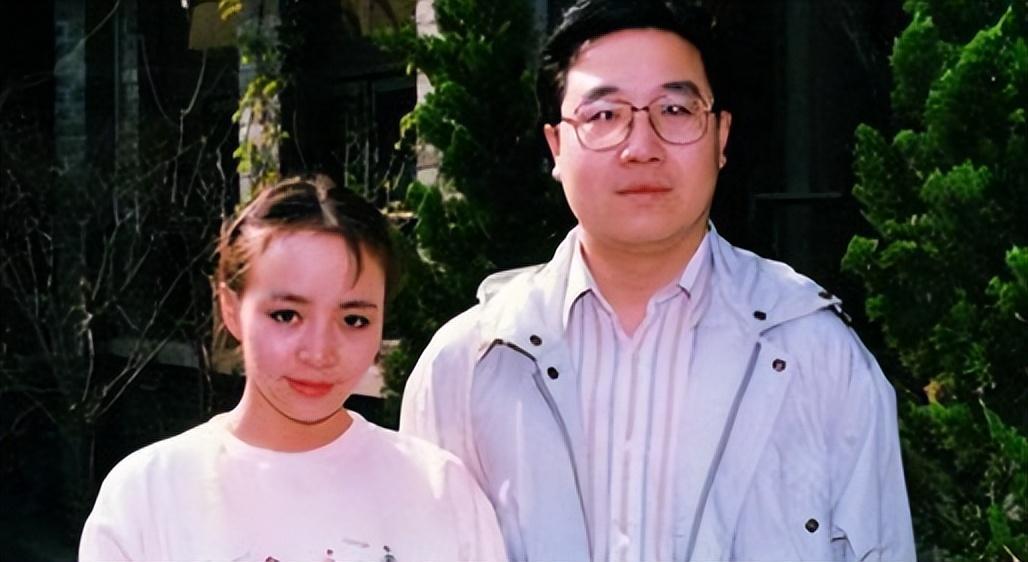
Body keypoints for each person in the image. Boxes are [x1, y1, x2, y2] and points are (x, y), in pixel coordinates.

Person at [399, 1, 916, 560]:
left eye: (674, 109)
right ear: (556, 147)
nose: (641, 147)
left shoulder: (819, 355)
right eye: (604, 116)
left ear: (721, 136)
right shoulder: (466, 366)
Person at [80, 175, 507, 562]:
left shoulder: (441, 491)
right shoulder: (148, 497)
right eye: (286, 315)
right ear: (231, 308)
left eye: (354, 320)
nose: (319, 352)